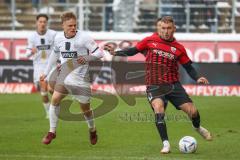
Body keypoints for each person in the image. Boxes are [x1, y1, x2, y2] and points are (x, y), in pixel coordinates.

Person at [104, 16, 212, 154]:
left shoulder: (179, 48)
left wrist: (198, 77)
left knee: (193, 111)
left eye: (168, 28)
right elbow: (133, 50)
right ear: (158, 28)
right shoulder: (150, 40)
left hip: (173, 85)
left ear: (174, 29)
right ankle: (166, 144)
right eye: (163, 28)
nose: (166, 31)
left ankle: (197, 128)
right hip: (154, 85)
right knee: (159, 108)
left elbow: (188, 67)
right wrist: (116, 52)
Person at [40, 11, 104, 145]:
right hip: (64, 75)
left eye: (74, 25)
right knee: (55, 99)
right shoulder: (58, 38)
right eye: (69, 26)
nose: (73, 28)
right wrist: (46, 72)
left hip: (80, 79)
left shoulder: (84, 37)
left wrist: (86, 58)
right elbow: (55, 54)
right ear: (63, 25)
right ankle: (52, 131)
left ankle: (92, 129)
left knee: (85, 110)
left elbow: (99, 53)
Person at [26, 14, 57, 119]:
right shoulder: (32, 37)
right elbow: (27, 52)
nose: (42, 24)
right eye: (40, 21)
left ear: (47, 23)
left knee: (51, 90)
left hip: (51, 64)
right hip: (39, 66)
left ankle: (55, 107)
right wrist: (31, 51)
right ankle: (49, 112)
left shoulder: (53, 34)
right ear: (36, 23)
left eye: (44, 22)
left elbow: (59, 46)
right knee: (43, 90)